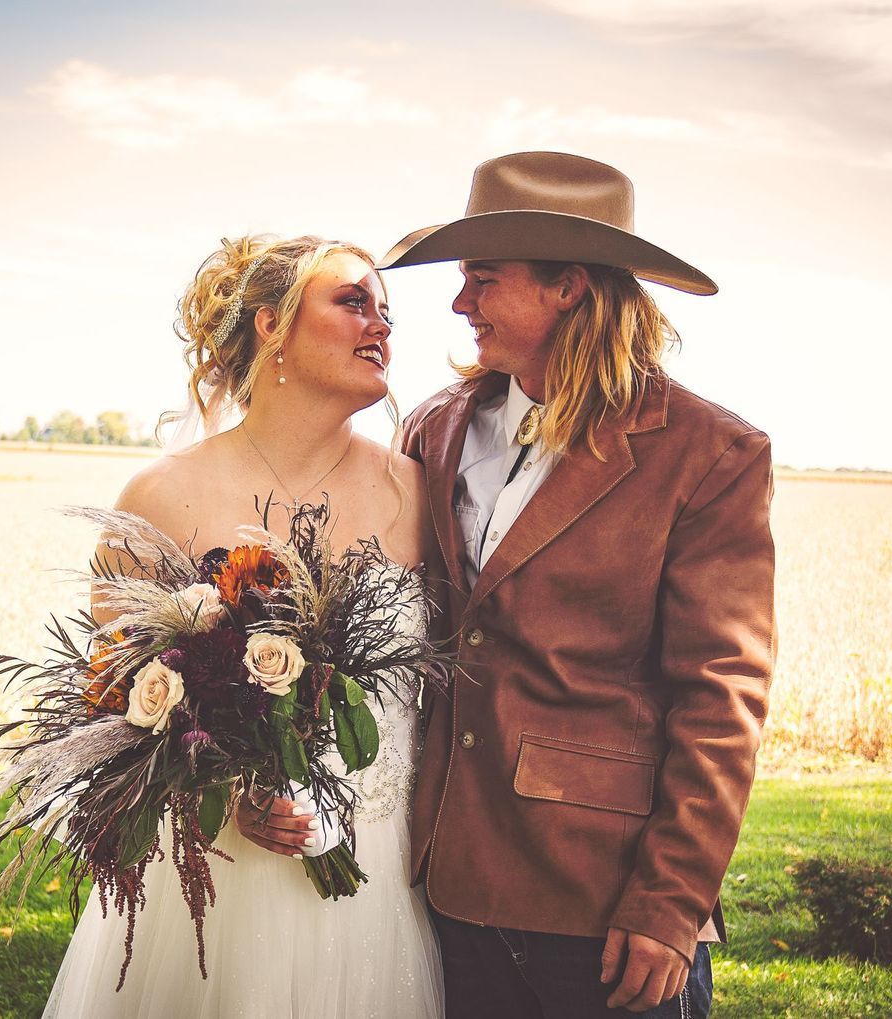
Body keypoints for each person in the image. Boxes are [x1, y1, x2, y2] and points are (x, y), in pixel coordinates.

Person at [384, 151, 776, 1017]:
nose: (459, 304)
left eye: (482, 279)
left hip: (603, 908)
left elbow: (722, 693)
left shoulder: (711, 454)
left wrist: (672, 902)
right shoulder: (434, 429)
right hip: (440, 887)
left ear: (567, 288)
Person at [43, 235, 444, 1018]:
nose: (382, 326)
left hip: (379, 878)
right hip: (214, 887)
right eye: (353, 301)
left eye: (386, 311)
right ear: (271, 323)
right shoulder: (162, 496)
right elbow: (117, 699)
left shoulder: (418, 494)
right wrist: (228, 792)